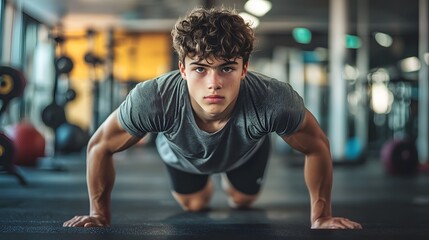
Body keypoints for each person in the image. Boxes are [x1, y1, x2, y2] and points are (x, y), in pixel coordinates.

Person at [63, 8, 362, 229]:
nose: (214, 83)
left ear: (244, 68)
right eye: (200, 69)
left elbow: (317, 145)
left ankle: (234, 181)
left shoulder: (273, 100)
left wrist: (321, 216)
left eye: (227, 68)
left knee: (242, 201)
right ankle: (203, 181)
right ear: (182, 69)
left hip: (246, 152)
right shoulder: (153, 98)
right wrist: (98, 214)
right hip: (183, 155)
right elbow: (99, 145)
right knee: (194, 205)